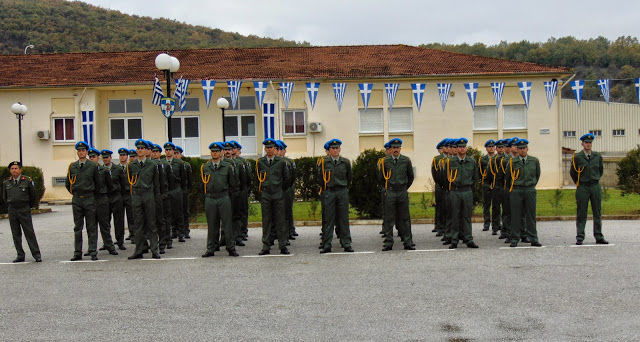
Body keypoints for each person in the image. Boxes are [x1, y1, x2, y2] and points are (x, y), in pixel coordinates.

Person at [201, 142, 239, 257]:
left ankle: (231, 248)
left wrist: (229, 197)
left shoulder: (227, 166)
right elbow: (201, 184)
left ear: (221, 153)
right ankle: (211, 248)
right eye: (213, 151)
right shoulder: (205, 167)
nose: (214, 153)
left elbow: (233, 184)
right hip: (210, 198)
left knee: (227, 224)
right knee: (212, 224)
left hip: (223, 197)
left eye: (217, 151)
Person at [255, 138, 291, 255]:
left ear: (275, 149)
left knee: (280, 220)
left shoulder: (281, 162)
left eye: (271, 148)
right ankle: (266, 245)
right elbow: (258, 179)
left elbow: (287, 179)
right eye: (267, 148)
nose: (269, 150)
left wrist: (280, 189)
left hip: (278, 193)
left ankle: (283, 245)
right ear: (265, 149)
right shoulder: (260, 162)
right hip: (266, 194)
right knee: (266, 221)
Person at [318, 139, 354, 253]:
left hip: (341, 191)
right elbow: (319, 178)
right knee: (328, 219)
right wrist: (326, 188)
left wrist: (343, 187)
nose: (335, 150)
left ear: (340, 149)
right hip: (329, 191)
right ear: (329, 150)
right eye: (333, 148)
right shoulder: (323, 163)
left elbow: (349, 178)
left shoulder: (345, 162)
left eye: (337, 148)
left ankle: (346, 243)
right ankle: (327, 244)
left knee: (343, 219)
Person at [570, 133, 607, 245]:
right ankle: (580, 236)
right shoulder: (577, 157)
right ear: (582, 143)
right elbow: (573, 173)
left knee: (597, 212)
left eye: (590, 142)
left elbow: (600, 170)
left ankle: (599, 236)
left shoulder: (597, 156)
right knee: (582, 212)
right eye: (586, 142)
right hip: (583, 186)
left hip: (595, 186)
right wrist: (581, 182)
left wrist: (595, 179)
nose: (588, 144)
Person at [65, 141, 100, 261]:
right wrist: (75, 194)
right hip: (77, 199)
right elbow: (68, 183)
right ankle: (77, 252)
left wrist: (91, 195)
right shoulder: (72, 166)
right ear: (77, 152)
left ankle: (93, 251)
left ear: (86, 152)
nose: (81, 152)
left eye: (83, 150)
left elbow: (98, 183)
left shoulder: (92, 166)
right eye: (79, 151)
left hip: (89, 198)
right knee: (77, 227)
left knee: (91, 226)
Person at [379, 138, 415, 251]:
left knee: (405, 218)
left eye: (397, 147)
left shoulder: (406, 160)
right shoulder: (385, 161)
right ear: (391, 148)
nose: (395, 150)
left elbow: (411, 176)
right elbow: (381, 177)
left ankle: (408, 241)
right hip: (390, 192)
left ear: (400, 148)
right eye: (393, 148)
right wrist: (387, 189)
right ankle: (388, 242)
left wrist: (404, 187)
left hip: (402, 191)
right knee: (389, 218)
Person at [127, 139, 161, 259]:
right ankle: (139, 250)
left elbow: (157, 184)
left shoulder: (152, 165)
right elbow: (130, 183)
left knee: (151, 224)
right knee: (138, 224)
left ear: (146, 150)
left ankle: (154, 250)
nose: (140, 150)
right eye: (138, 148)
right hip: (137, 195)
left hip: (148, 195)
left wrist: (157, 200)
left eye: (142, 148)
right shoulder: (131, 165)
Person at [2, 161, 41, 263]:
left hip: (24, 209)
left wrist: (28, 207)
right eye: (12, 169)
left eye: (16, 168)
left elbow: (33, 196)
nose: (14, 170)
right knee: (16, 234)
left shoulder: (27, 181)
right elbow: (4, 197)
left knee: (29, 232)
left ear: (20, 170)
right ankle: (20, 255)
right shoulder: (7, 183)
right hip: (12, 210)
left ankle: (36, 254)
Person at [507, 139, 542, 247]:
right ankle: (514, 238)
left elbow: (537, 175)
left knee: (531, 215)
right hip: (516, 190)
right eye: (520, 148)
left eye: (524, 148)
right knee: (516, 215)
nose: (522, 150)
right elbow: (508, 177)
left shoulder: (534, 161)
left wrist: (531, 185)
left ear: (527, 149)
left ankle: (533, 238)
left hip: (529, 190)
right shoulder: (512, 162)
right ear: (517, 149)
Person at [446, 138, 479, 249]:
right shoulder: (451, 161)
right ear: (457, 148)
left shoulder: (472, 161)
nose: (462, 148)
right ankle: (454, 239)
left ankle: (468, 239)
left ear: (466, 148)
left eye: (463, 147)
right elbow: (445, 177)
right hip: (455, 191)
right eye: (460, 147)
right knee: (455, 215)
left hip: (467, 191)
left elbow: (475, 177)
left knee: (467, 216)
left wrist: (469, 187)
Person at [102, 149, 127, 250]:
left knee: (119, 221)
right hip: (105, 197)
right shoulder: (100, 169)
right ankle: (107, 242)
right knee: (105, 221)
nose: (105, 159)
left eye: (107, 157)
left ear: (110, 158)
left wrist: (120, 196)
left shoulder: (117, 169)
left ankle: (120, 242)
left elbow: (123, 183)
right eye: (103, 158)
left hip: (116, 197)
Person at [163, 142, 187, 247]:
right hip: (166, 190)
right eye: (166, 150)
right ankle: (172, 231)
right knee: (168, 213)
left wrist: (181, 190)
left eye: (170, 150)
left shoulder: (179, 163)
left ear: (173, 151)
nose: (168, 151)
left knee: (179, 212)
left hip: (176, 189)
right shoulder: (161, 163)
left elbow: (183, 178)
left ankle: (181, 233)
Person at [480, 139, 500, 234]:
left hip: (496, 184)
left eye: (492, 146)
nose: (491, 148)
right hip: (487, 184)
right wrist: (484, 182)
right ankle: (486, 224)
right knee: (487, 205)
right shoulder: (483, 159)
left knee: (496, 206)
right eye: (489, 147)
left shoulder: (498, 158)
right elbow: (480, 172)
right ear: (486, 148)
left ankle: (496, 224)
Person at [174, 146, 192, 239]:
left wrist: (186, 189)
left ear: (181, 154)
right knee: (174, 211)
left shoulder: (186, 165)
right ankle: (175, 230)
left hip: (183, 190)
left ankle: (185, 230)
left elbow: (189, 179)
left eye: (177, 153)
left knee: (184, 211)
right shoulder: (171, 164)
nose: (176, 155)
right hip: (174, 191)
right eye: (175, 153)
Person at [431, 139, 447, 237]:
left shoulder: (449, 159)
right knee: (440, 207)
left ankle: (443, 227)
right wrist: (439, 183)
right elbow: (435, 173)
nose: (442, 150)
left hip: (447, 186)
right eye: (440, 149)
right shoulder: (437, 159)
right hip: (439, 186)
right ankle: (439, 226)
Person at [118, 148, 135, 242]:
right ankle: (120, 237)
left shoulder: (130, 167)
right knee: (119, 217)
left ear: (127, 156)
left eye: (124, 155)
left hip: (129, 193)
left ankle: (133, 234)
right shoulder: (116, 168)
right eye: (121, 155)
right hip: (120, 194)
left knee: (131, 215)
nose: (122, 157)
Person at [492, 140, 508, 240]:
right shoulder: (495, 159)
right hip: (498, 186)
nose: (501, 149)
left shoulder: (510, 159)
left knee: (507, 210)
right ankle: (495, 226)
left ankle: (506, 229)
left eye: (503, 147)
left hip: (507, 186)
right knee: (496, 208)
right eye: (500, 147)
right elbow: (493, 172)